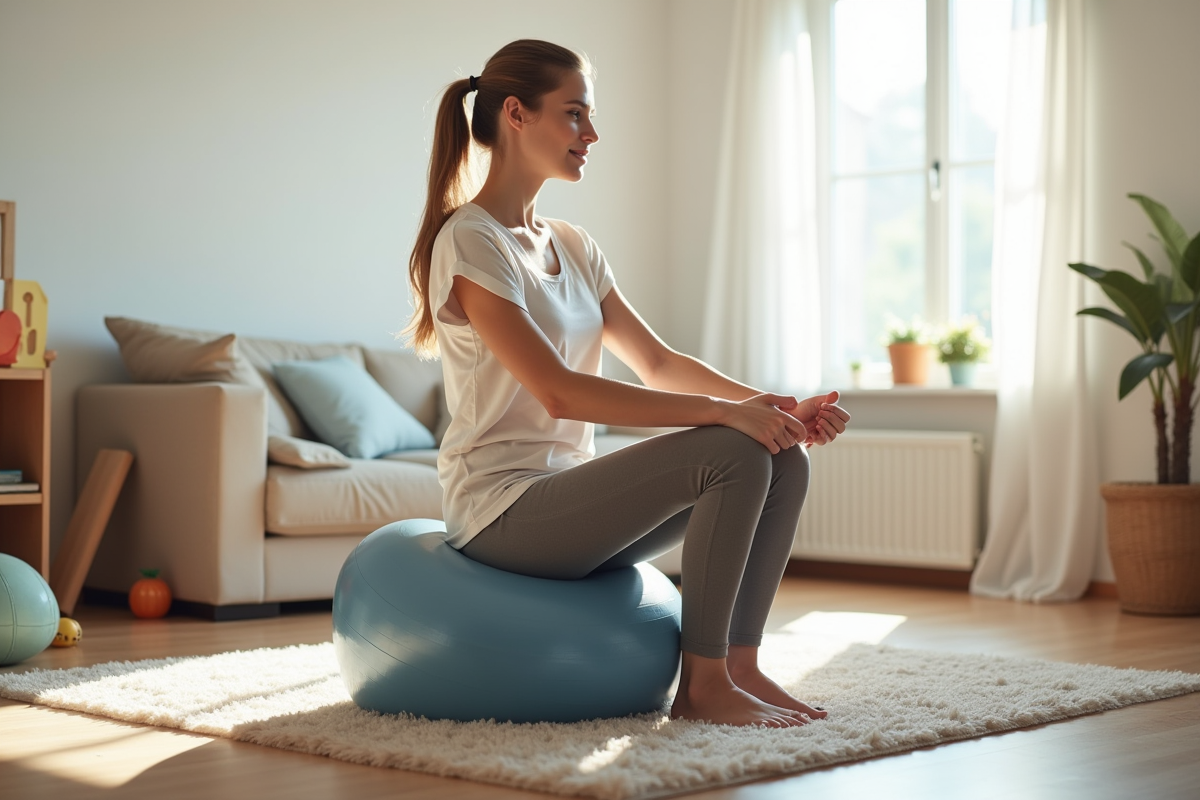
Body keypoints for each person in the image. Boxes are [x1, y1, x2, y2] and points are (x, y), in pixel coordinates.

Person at [403, 39, 850, 729]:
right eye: (575, 114)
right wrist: (728, 419)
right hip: (502, 510)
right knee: (730, 451)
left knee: (780, 459)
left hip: (569, 498)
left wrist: (774, 410)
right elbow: (559, 393)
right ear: (516, 115)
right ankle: (701, 689)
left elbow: (658, 362)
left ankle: (739, 665)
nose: (592, 133)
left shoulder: (574, 244)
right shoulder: (471, 240)